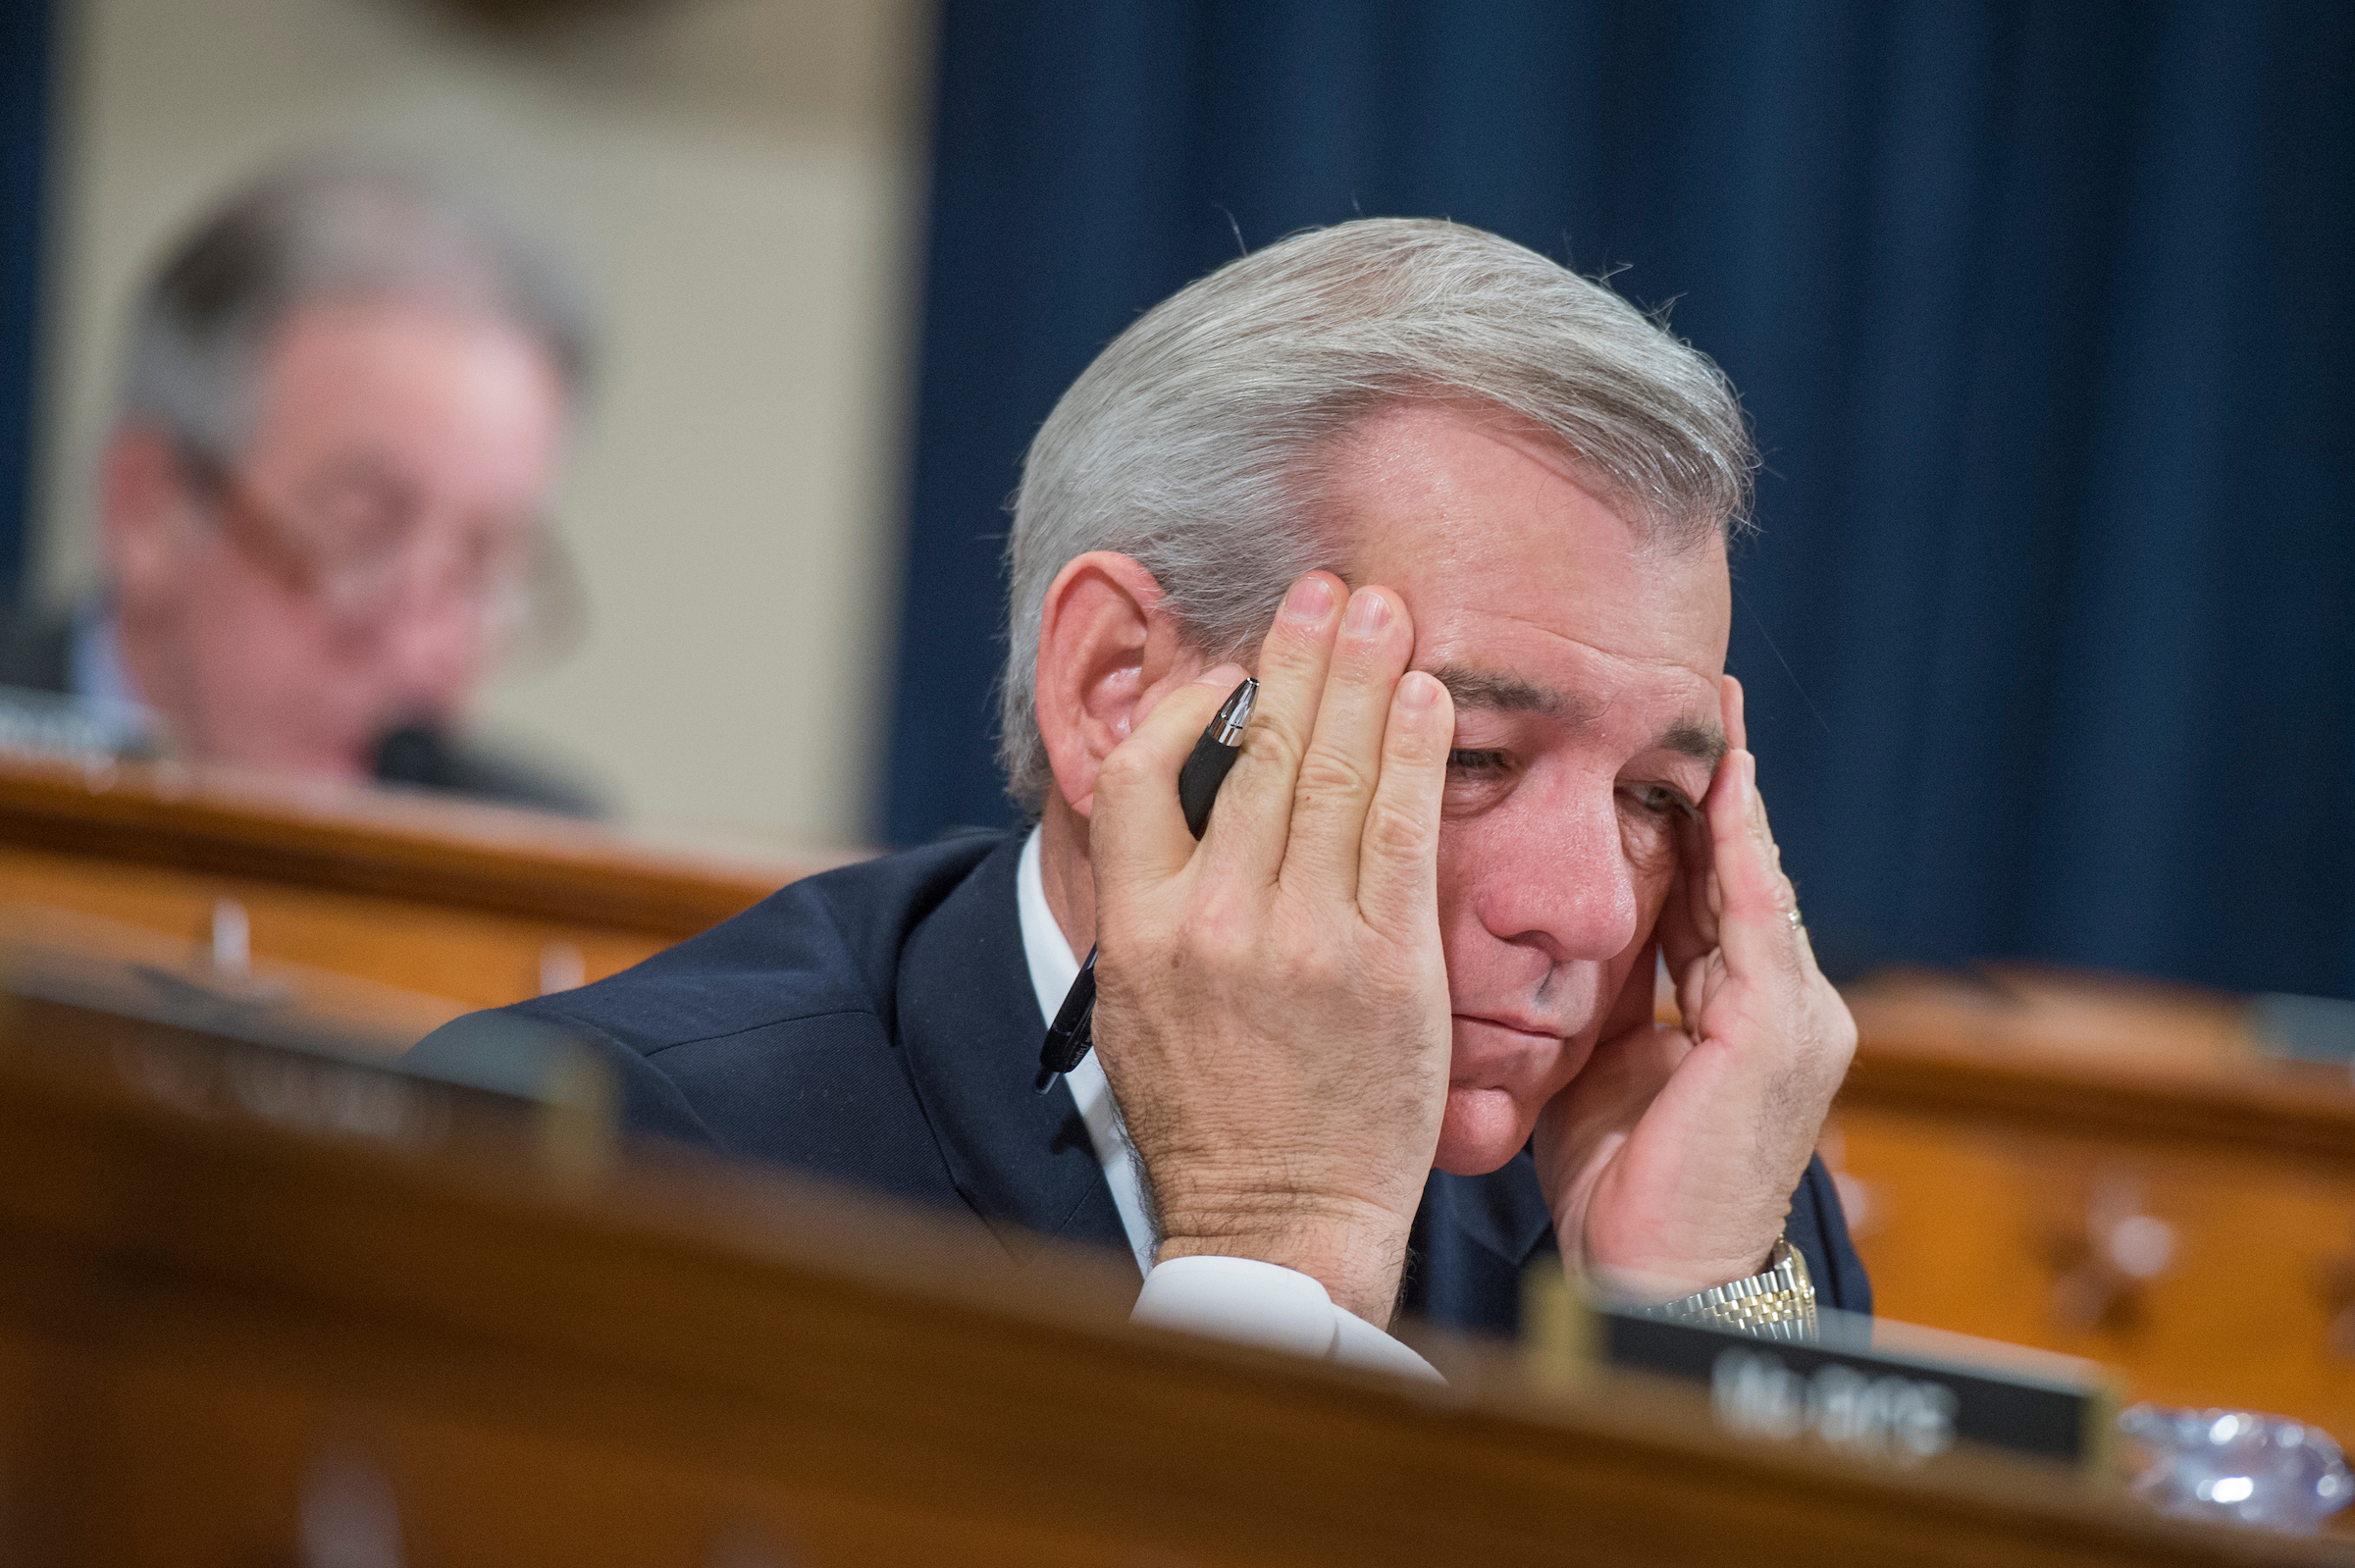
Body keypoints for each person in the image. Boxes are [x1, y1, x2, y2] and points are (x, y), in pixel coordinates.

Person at [414, 219, 1867, 1377]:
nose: (1594, 909)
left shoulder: (1705, 1185)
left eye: (1658, 794)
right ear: (1118, 692)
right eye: (1474, 753)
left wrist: (1700, 1338)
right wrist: (1278, 1262)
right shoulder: (610, 1157)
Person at [0, 158, 599, 812]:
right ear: (148, 507)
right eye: (363, 539)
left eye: (480, 569)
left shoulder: (534, 858)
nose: (420, 655)